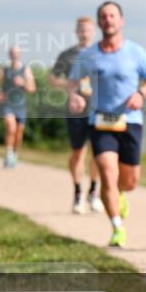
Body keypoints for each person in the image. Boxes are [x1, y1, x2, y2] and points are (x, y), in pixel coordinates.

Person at [68, 2, 146, 247]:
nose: (108, 20)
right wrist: (75, 95)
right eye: (103, 16)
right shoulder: (88, 55)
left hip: (130, 121)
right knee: (108, 173)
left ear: (121, 21)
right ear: (99, 23)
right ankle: (117, 228)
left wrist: (141, 94)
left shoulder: (136, 52)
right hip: (99, 121)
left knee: (129, 181)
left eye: (112, 15)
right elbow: (73, 81)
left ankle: (119, 195)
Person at [50, 16, 102, 214]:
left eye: (88, 29)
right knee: (78, 152)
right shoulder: (67, 55)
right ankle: (78, 192)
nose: (84, 33)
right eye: (81, 29)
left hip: (97, 108)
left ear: (93, 31)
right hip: (76, 109)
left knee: (99, 153)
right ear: (76, 31)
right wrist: (72, 86)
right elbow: (53, 78)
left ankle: (94, 191)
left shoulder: (101, 52)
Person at [0, 45, 36, 168]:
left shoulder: (26, 70)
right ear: (9, 55)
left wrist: (23, 83)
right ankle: (8, 155)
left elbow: (32, 89)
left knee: (19, 132)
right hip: (7, 105)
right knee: (10, 128)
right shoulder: (4, 70)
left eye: (16, 53)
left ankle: (14, 154)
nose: (14, 55)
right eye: (12, 53)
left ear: (19, 55)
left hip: (20, 106)